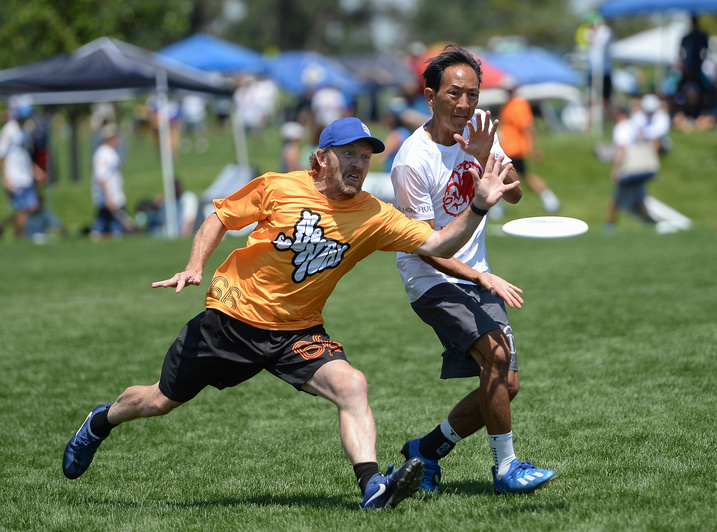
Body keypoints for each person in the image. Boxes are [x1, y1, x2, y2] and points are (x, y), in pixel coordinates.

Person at [62, 117, 519, 511]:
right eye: (350, 155)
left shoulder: (374, 214)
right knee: (158, 401)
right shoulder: (278, 187)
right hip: (231, 321)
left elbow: (438, 244)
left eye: (367, 157)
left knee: (352, 384)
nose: (360, 165)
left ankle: (372, 486)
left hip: (297, 333)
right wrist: (195, 265)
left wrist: (479, 205)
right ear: (321, 158)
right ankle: (100, 422)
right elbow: (220, 216)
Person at [390, 44, 556, 495]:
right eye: (454, 95)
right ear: (430, 95)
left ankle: (425, 451)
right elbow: (424, 247)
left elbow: (515, 194)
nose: (464, 105)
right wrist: (479, 275)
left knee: (506, 383)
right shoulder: (411, 160)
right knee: (496, 359)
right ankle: (506, 469)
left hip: (477, 272)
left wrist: (487, 160)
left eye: (473, 95)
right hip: (432, 278)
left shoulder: (482, 133)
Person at [498, 83, 560, 213]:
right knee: (515, 176)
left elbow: (528, 127)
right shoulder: (507, 106)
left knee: (505, 176)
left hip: (514, 149)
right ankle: (548, 198)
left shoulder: (518, 105)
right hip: (507, 148)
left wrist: (534, 148)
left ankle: (497, 207)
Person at [605, 105, 657, 231]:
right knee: (639, 202)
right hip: (642, 168)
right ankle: (654, 225)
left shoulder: (621, 127)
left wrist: (615, 169)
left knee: (615, 201)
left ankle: (608, 227)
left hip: (630, 169)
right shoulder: (634, 125)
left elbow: (622, 148)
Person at [0, 101, 40, 239]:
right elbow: (2, 155)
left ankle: (4, 226)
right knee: (22, 209)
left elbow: (25, 154)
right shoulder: (9, 130)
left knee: (32, 206)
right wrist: (5, 177)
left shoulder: (26, 129)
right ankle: (20, 237)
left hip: (26, 176)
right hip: (14, 177)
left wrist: (35, 170)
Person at [89, 123, 131, 240]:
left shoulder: (110, 153)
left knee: (111, 222)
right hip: (107, 196)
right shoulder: (102, 154)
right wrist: (107, 197)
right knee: (103, 221)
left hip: (114, 195)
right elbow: (102, 177)